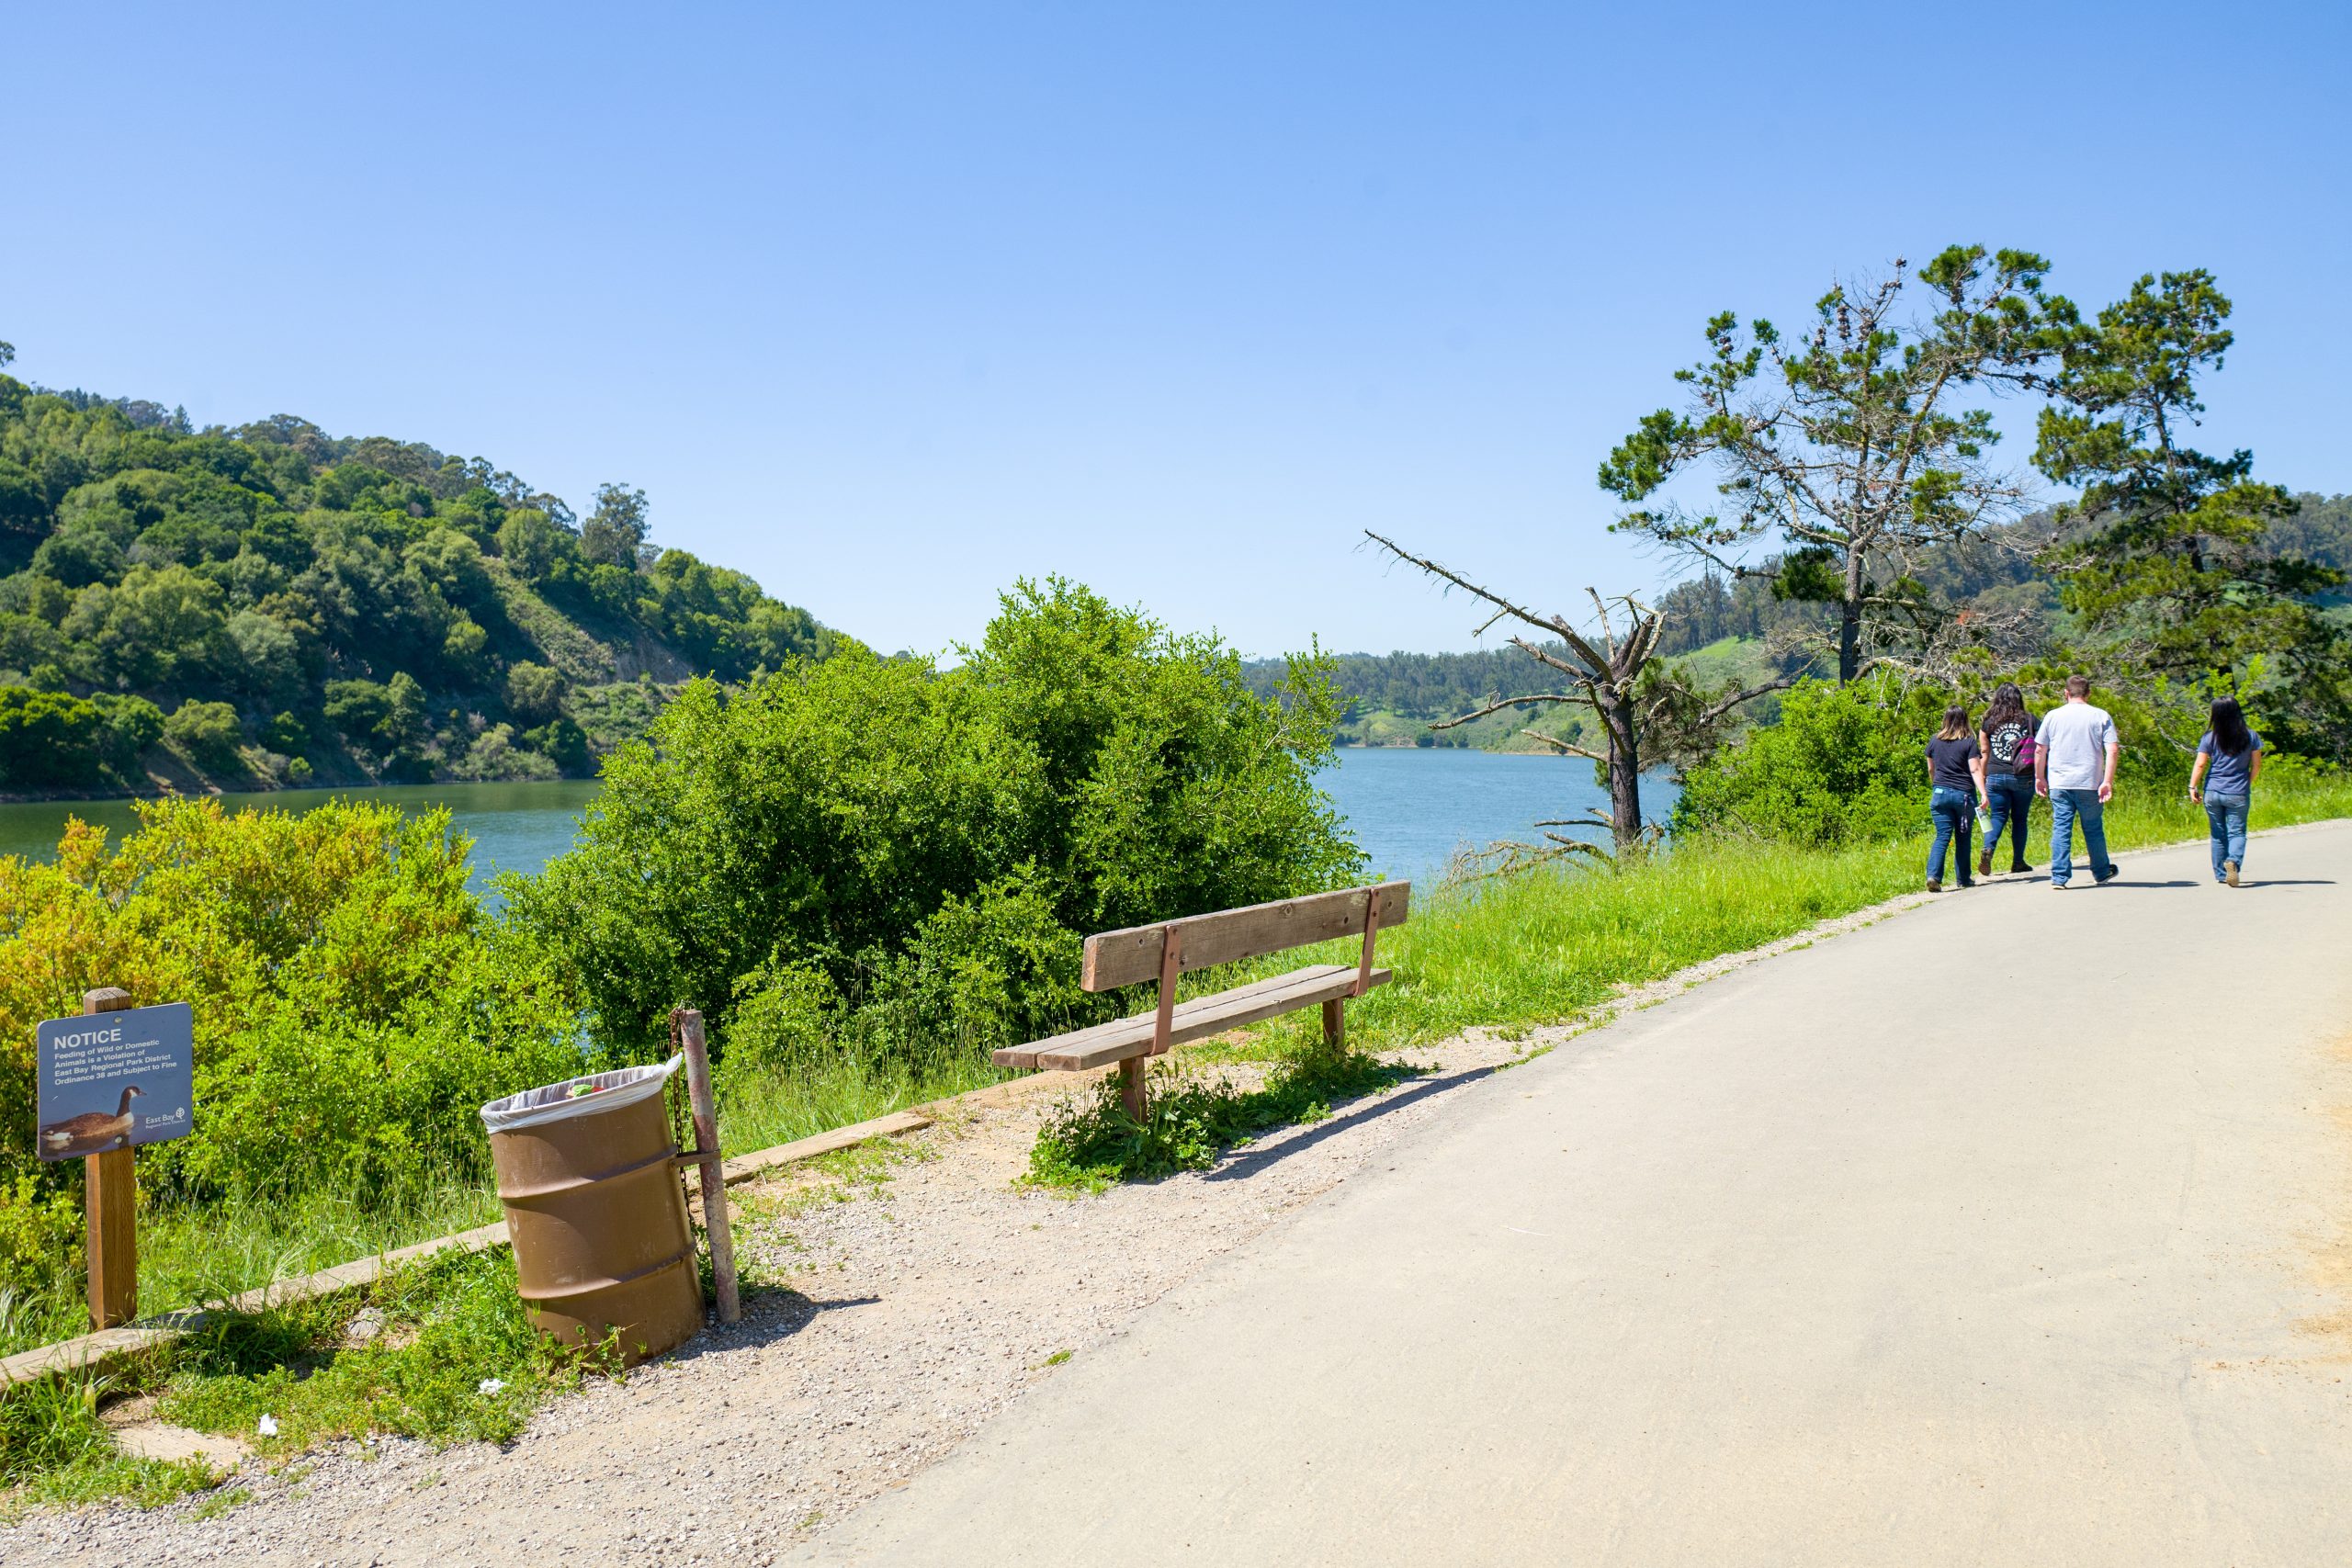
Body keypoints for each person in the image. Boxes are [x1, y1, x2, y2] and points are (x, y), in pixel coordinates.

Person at [2034, 674, 2121, 889]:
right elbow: (2112, 749)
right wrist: (2107, 781)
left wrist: (2039, 777)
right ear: (2088, 693)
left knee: (2061, 827)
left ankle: (2059, 877)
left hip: (2060, 782)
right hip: (2089, 782)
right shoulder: (2100, 716)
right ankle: (2101, 871)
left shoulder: (2053, 716)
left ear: (2066, 693)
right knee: (2093, 828)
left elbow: (2039, 749)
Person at [2188, 695, 2263, 887]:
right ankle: (2233, 862)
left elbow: (2201, 763)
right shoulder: (2251, 735)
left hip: (2213, 791)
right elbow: (2256, 766)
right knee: (2237, 832)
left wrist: (2192, 787)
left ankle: (2221, 874)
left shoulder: (2209, 737)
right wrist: (2247, 782)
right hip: (2238, 791)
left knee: (2218, 833)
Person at [1975, 682, 2038, 878]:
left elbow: (1984, 752)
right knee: (2020, 819)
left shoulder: (1989, 722)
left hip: (1995, 775)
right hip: (2023, 775)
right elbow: (2043, 746)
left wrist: (1983, 780)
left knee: (1998, 817)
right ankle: (2018, 861)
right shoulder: (2029, 720)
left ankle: (1988, 848)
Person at [1924, 703, 1987, 892]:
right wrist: (1984, 793)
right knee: (1963, 837)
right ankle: (1963, 879)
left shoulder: (1934, 741)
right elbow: (1975, 769)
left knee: (1942, 836)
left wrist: (1937, 785)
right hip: (1963, 796)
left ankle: (1933, 875)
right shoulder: (1968, 742)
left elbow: (1930, 769)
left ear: (1945, 720)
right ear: (1964, 721)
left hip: (1940, 794)